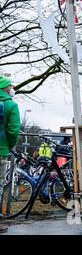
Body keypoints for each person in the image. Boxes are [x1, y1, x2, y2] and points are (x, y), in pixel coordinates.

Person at [0, 75, 20, 233]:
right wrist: (11, 144)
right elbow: (13, 130)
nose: (12, 88)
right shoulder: (10, 105)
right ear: (5, 88)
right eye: (10, 86)